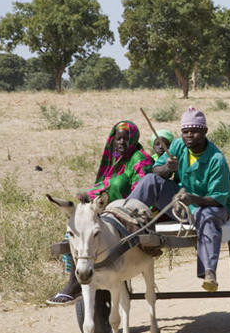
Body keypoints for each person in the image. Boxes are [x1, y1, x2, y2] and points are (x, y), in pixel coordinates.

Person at [124, 106, 230, 292]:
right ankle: (123, 223)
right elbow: (155, 171)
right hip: (180, 202)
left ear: (204, 132)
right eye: (185, 131)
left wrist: (193, 198)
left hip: (209, 205)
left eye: (194, 131)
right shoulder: (178, 146)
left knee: (207, 217)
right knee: (150, 180)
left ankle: (209, 272)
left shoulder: (216, 159)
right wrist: (167, 168)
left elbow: (218, 198)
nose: (189, 135)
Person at [47, 120, 154, 305]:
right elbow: (102, 186)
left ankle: (75, 284)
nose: (121, 142)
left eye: (126, 139)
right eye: (117, 138)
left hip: (128, 211)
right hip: (103, 210)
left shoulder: (141, 159)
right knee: (75, 232)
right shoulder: (112, 159)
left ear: (134, 139)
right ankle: (76, 279)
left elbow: (141, 193)